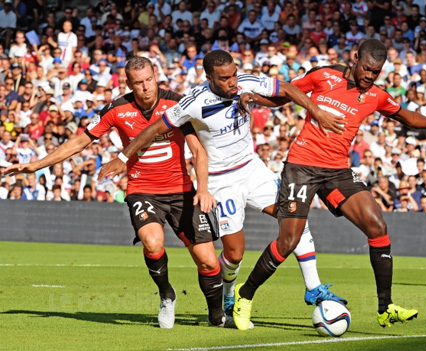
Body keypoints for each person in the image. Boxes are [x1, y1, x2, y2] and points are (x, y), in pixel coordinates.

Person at [232, 39, 426, 330]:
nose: (371, 76)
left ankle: (386, 308)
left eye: (377, 72)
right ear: (356, 58)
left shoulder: (376, 95)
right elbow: (286, 94)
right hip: (302, 167)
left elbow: (407, 117)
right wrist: (254, 99)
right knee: (289, 241)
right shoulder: (324, 76)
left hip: (337, 171)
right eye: (368, 69)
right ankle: (244, 296)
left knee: (377, 227)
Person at [98, 50, 347, 326]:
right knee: (234, 253)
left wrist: (317, 113)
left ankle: (313, 287)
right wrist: (123, 157)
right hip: (221, 181)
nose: (232, 83)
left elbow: (286, 89)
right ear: (209, 78)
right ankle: (229, 295)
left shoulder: (245, 82)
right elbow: (155, 128)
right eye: (225, 78)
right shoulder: (193, 102)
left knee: (295, 215)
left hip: (252, 168)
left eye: (234, 75)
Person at [5, 56, 225, 328]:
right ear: (128, 84)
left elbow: (198, 150)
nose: (145, 87)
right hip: (142, 190)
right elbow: (78, 143)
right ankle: (167, 294)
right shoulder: (117, 109)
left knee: (207, 261)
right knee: (153, 243)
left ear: (155, 75)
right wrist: (36, 166)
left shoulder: (178, 104)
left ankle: (217, 315)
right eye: (138, 83)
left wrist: (203, 188)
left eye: (148, 80)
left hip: (182, 190)